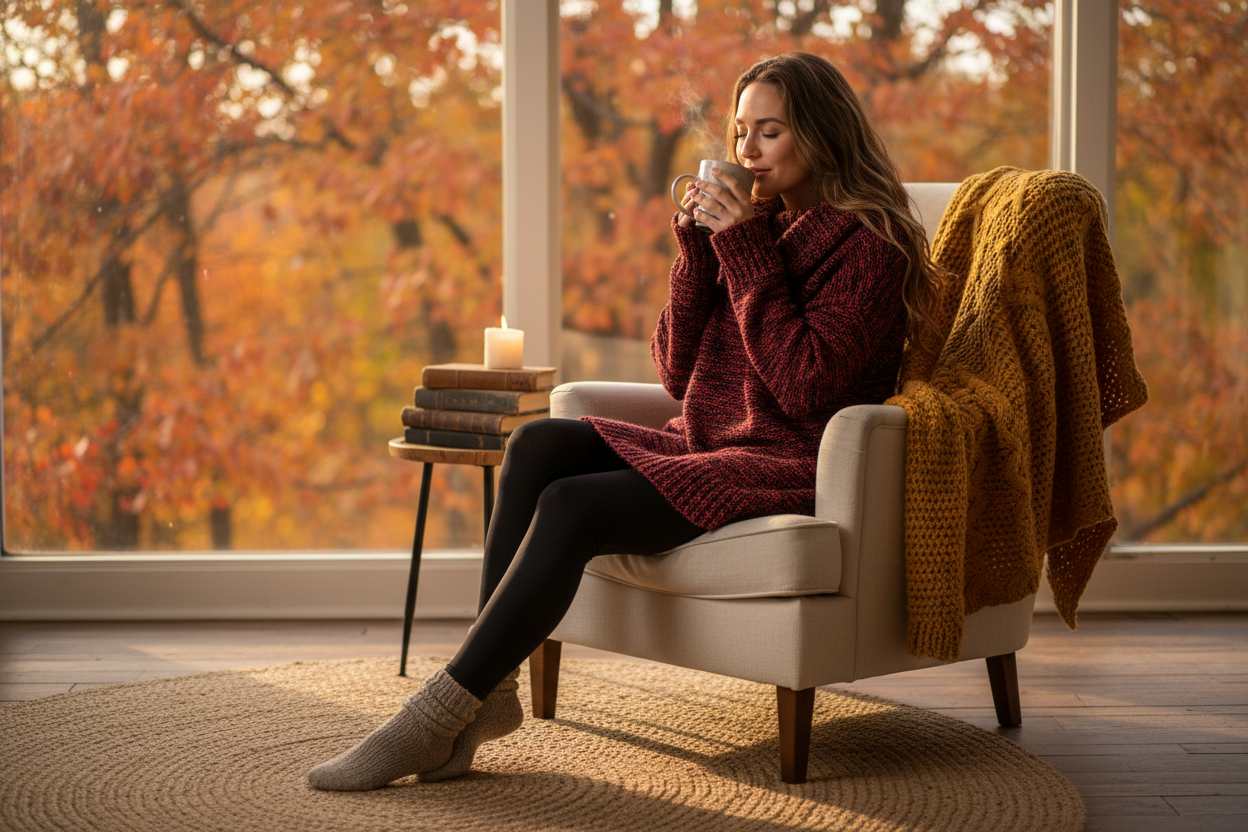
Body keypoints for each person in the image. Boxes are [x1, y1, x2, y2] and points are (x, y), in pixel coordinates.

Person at [307, 51, 943, 791]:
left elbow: (806, 387)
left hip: (790, 461)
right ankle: (489, 698)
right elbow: (675, 375)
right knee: (540, 441)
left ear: (823, 135)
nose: (746, 153)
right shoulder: (756, 225)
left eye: (769, 133)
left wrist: (740, 250)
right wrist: (699, 254)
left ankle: (437, 713)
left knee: (571, 505)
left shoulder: (872, 244)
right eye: (740, 133)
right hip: (707, 444)